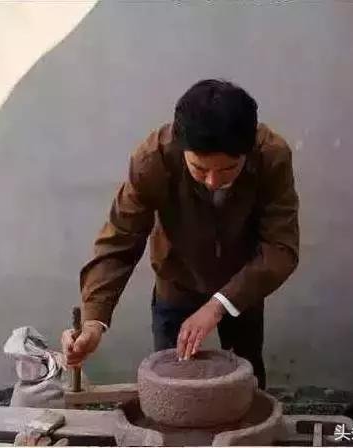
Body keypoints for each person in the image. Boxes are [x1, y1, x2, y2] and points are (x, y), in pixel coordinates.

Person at [61, 79, 299, 389]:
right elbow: (120, 240)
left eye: (228, 170)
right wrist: (94, 320)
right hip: (177, 281)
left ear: (248, 149)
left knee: (246, 379)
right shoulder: (153, 160)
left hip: (244, 284)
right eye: (199, 169)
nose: (212, 181)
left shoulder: (271, 156)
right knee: (170, 383)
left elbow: (281, 247)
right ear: (180, 145)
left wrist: (219, 304)